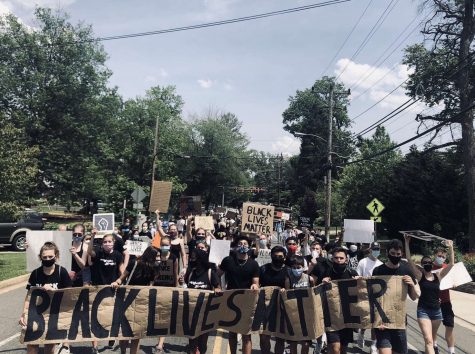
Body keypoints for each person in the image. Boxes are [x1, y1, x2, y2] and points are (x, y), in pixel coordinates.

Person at [19, 241, 72, 354]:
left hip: (53, 314)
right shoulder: (36, 274)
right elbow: (29, 296)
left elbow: (69, 295)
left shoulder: (61, 272)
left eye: (50, 256)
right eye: (44, 257)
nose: (47, 259)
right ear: (40, 258)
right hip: (36, 314)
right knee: (32, 346)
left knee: (49, 347)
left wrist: (55, 291)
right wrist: (24, 313)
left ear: (56, 256)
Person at [404, 236, 454, 354]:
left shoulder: (438, 275)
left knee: (431, 338)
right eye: (424, 263)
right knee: (428, 340)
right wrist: (406, 242)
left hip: (437, 311)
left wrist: (451, 247)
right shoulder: (420, 275)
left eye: (428, 262)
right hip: (423, 310)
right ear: (421, 265)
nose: (427, 264)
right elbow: (409, 260)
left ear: (432, 264)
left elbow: (451, 264)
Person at [372, 239, 419, 354]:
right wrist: (377, 320)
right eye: (392, 254)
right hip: (382, 321)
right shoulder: (378, 270)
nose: (395, 256)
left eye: (398, 254)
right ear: (387, 252)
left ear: (401, 254)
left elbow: (413, 297)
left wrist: (412, 285)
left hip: (399, 320)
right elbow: (372, 297)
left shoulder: (406, 270)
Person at [111, 246, 158, 354]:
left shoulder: (144, 265)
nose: (158, 258)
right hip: (138, 301)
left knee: (129, 331)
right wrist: (116, 282)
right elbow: (150, 286)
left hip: (130, 300)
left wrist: (117, 282)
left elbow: (122, 278)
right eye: (157, 256)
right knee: (133, 332)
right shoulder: (137, 263)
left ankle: (124, 352)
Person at [218, 235, 260, 354]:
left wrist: (255, 286)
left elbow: (256, 282)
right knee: (232, 332)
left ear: (249, 247)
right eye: (240, 243)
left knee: (246, 334)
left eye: (245, 244)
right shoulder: (228, 260)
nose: (243, 246)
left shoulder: (253, 264)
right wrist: (217, 286)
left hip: (247, 301)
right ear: (236, 247)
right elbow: (218, 274)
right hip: (231, 300)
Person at [318, 247, 359, 354]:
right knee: (335, 348)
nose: (339, 260)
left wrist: (359, 283)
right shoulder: (326, 272)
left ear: (346, 259)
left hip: (347, 316)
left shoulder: (352, 273)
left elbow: (362, 294)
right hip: (331, 316)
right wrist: (321, 284)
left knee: (343, 349)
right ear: (332, 259)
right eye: (336, 258)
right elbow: (315, 293)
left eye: (341, 258)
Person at [88, 232, 124, 353]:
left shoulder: (118, 255)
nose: (107, 244)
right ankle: (95, 346)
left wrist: (119, 281)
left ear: (113, 243)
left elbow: (122, 270)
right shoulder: (98, 252)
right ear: (102, 244)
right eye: (105, 242)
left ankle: (111, 337)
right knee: (95, 316)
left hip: (112, 289)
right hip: (97, 288)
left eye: (109, 241)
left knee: (111, 316)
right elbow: (90, 253)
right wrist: (92, 237)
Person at [185, 248, 221, 354]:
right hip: (192, 312)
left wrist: (217, 289)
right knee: (192, 340)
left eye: (194, 257)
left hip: (206, 313)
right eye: (191, 258)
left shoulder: (210, 273)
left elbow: (218, 286)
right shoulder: (191, 273)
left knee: (202, 341)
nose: (192, 259)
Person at [258, 246, 288, 354]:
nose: (278, 258)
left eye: (280, 256)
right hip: (264, 307)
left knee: (280, 337)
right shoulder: (263, 269)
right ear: (271, 256)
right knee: (264, 336)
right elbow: (257, 285)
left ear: (285, 257)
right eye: (275, 256)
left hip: (281, 308)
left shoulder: (288, 271)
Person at [153, 236, 179, 353]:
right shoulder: (156, 256)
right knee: (157, 316)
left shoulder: (174, 258)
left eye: (166, 245)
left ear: (170, 245)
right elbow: (151, 272)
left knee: (164, 316)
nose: (164, 247)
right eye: (162, 244)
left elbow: (175, 274)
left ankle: (160, 344)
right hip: (157, 289)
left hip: (169, 290)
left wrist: (177, 289)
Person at [356, 242, 383, 354]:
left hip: (377, 296)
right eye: (374, 249)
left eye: (378, 249)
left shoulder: (381, 264)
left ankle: (373, 344)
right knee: (366, 319)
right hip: (364, 294)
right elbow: (357, 277)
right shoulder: (363, 262)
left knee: (375, 321)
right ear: (370, 249)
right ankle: (361, 333)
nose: (376, 251)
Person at [285, 255, 315, 354]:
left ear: (303, 267)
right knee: (293, 342)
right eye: (294, 268)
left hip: (306, 314)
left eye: (299, 267)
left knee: (305, 343)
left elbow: (313, 294)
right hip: (293, 314)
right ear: (291, 268)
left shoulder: (309, 279)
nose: (296, 270)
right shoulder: (289, 279)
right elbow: (287, 296)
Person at [432, 246, 456, 354]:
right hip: (434, 302)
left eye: (443, 256)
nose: (441, 257)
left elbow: (451, 280)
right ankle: (434, 345)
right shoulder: (429, 267)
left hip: (446, 302)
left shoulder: (446, 266)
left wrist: (454, 284)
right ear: (435, 255)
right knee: (434, 327)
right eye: (439, 255)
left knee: (450, 326)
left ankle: (451, 350)